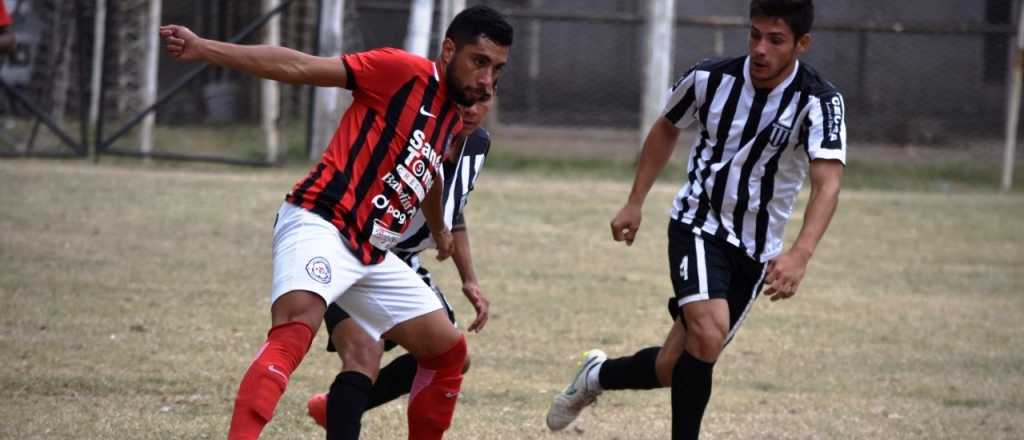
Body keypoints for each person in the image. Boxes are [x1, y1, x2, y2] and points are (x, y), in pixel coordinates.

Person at [161, 5, 512, 440]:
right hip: (322, 221)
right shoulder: (401, 71)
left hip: (371, 252)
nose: (486, 79)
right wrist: (204, 48)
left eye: (496, 69)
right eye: (479, 61)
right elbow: (298, 66)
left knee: (448, 352)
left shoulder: (451, 117)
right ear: (448, 50)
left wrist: (440, 229)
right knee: (294, 332)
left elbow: (430, 173)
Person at [545, 1, 845, 439]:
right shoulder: (710, 78)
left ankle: (597, 375)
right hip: (698, 223)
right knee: (708, 333)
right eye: (755, 35)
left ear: (802, 44)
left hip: (756, 247)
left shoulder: (819, 101)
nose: (760, 48)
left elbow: (827, 184)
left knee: (674, 366)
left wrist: (800, 253)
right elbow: (667, 126)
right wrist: (634, 201)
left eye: (775, 40)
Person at [305, 96, 494, 439]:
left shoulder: (477, 143)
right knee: (364, 353)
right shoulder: (414, 131)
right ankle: (340, 411)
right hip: (356, 248)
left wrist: (469, 279)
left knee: (453, 357)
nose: (471, 109)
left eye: (482, 99)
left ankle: (335, 407)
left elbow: (452, 211)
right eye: (463, 100)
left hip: (405, 262)